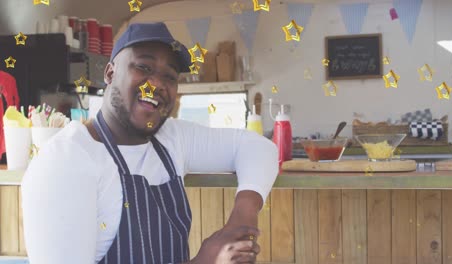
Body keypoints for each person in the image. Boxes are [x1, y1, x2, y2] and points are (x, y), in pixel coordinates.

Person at [21, 22, 278, 264]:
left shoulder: (171, 139)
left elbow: (258, 148)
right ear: (110, 73)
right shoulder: (66, 162)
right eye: (143, 67)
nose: (156, 84)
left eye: (169, 77)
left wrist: (242, 217)